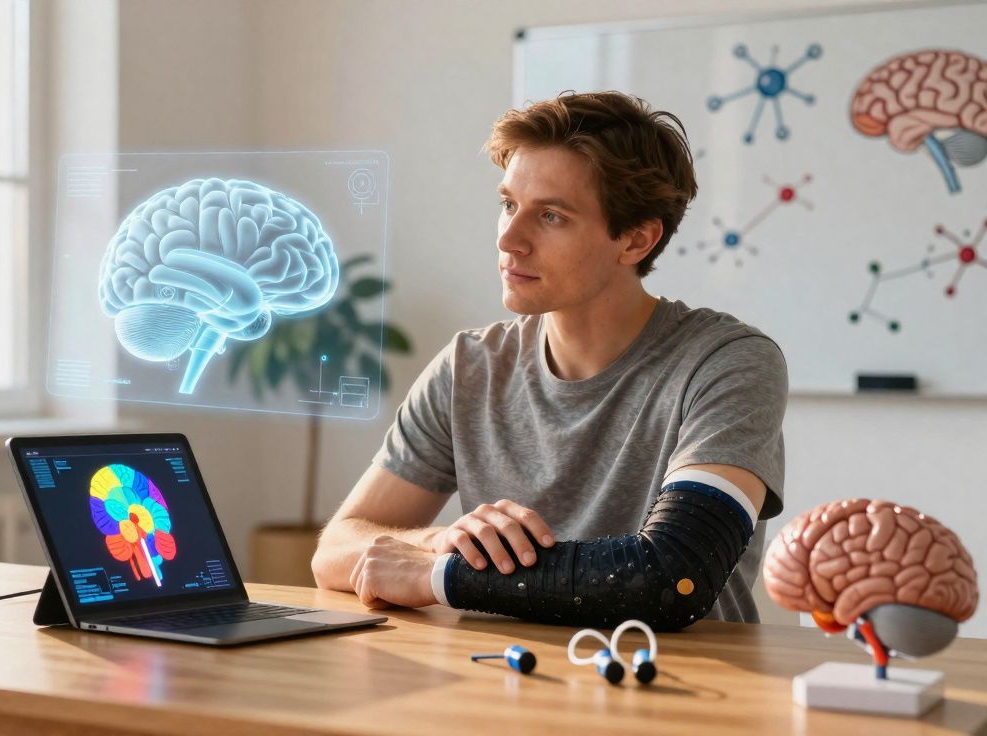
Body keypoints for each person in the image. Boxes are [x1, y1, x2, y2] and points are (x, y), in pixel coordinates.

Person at [310, 91, 788, 628]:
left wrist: (437, 575)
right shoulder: (470, 365)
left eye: (552, 216)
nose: (510, 240)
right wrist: (437, 540)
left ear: (635, 240)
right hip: (502, 682)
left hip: (679, 691)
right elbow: (334, 551)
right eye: (509, 205)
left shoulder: (727, 362)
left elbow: (672, 577)